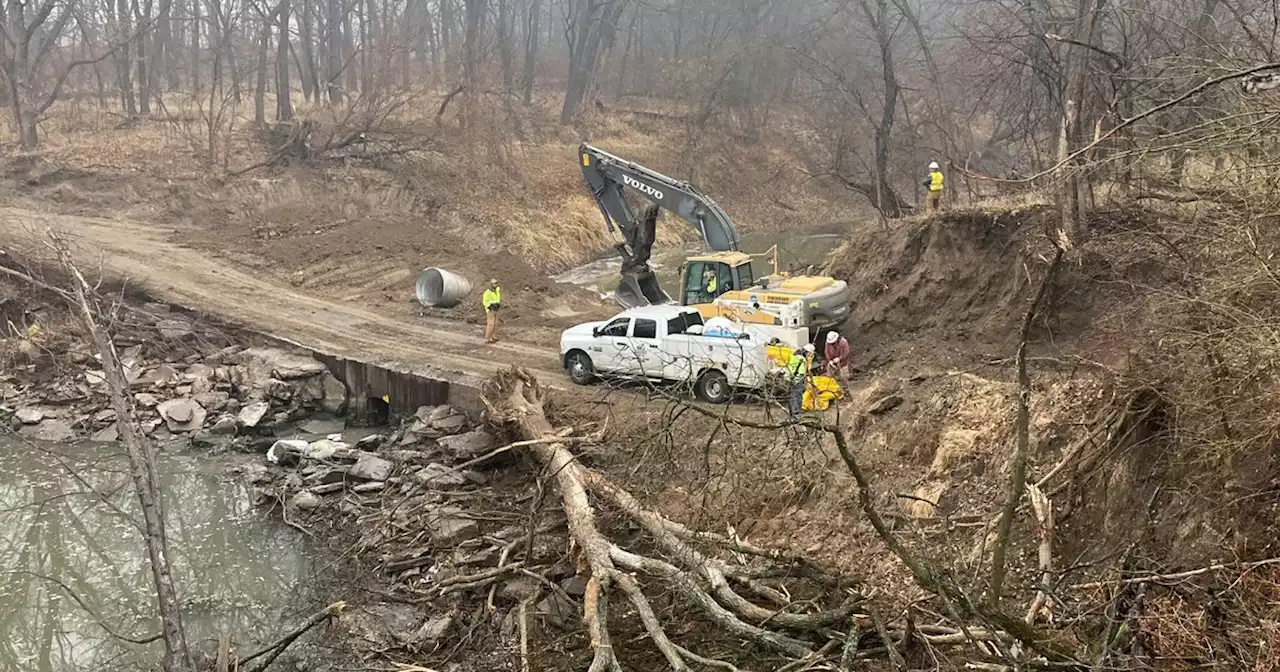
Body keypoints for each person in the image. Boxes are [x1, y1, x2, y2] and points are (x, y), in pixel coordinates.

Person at [787, 343, 815, 418]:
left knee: (792, 396)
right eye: (810, 354)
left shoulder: (795, 356)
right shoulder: (801, 359)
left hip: (790, 378)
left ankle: (792, 412)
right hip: (797, 379)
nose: (810, 356)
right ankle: (796, 413)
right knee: (797, 395)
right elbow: (802, 372)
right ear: (807, 352)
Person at [482, 279, 502, 343]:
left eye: (496, 283)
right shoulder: (487, 292)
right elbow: (485, 301)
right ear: (491, 284)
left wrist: (498, 304)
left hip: (496, 309)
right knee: (491, 324)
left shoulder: (497, 290)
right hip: (490, 310)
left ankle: (492, 336)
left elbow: (497, 299)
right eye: (493, 283)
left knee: (495, 324)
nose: (495, 285)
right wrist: (489, 306)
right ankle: (487, 338)